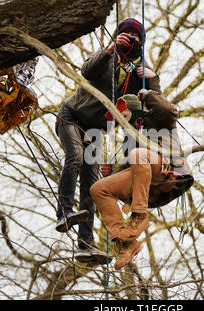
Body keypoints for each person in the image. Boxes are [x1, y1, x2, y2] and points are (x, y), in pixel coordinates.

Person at [54, 18, 161, 264]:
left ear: (141, 42)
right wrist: (110, 48)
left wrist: (151, 79)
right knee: (75, 157)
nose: (131, 40)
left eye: (136, 37)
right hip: (72, 117)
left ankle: (85, 245)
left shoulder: (140, 71)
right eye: (127, 35)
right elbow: (87, 70)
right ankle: (64, 212)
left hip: (95, 129)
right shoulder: (108, 56)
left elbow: (147, 109)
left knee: (92, 182)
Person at [90, 89, 194, 270]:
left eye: (122, 115)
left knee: (138, 155)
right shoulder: (128, 141)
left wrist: (147, 95)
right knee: (98, 189)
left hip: (168, 173)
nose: (119, 121)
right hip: (147, 184)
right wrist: (112, 173)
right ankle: (125, 244)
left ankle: (139, 215)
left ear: (133, 110)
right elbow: (130, 170)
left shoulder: (159, 119)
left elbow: (169, 110)